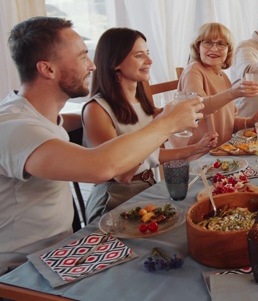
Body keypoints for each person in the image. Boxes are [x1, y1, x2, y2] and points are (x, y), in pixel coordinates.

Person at [0, 17, 203, 274]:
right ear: (47, 69)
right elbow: (103, 168)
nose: (93, 65)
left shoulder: (45, 119)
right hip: (19, 274)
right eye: (82, 56)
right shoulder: (15, 126)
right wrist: (167, 123)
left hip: (62, 252)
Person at [82, 28, 218, 223]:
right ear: (115, 63)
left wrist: (194, 149)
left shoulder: (141, 102)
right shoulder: (97, 110)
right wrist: (161, 125)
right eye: (139, 55)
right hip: (114, 200)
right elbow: (122, 174)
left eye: (148, 54)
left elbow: (152, 155)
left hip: (147, 188)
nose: (149, 61)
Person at [178, 22, 258, 145]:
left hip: (222, 150)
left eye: (221, 44)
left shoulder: (223, 76)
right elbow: (198, 110)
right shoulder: (193, 71)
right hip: (198, 154)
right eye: (208, 42)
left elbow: (228, 123)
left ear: (228, 50)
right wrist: (233, 93)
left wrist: (251, 122)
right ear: (197, 47)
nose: (214, 49)